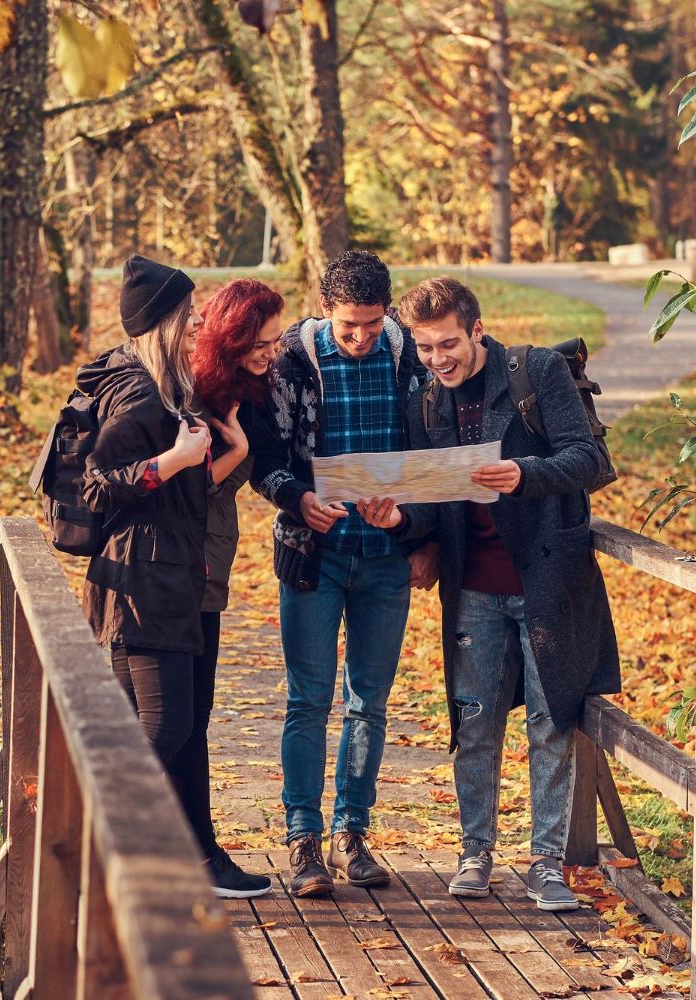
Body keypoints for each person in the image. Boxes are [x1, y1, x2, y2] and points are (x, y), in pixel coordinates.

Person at [359, 276, 621, 911]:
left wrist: (523, 475)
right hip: (471, 589)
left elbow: (589, 461)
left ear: (476, 331)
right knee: (474, 725)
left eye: (447, 344)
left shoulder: (538, 373)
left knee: (550, 722)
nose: (438, 359)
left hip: (547, 585)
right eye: (424, 348)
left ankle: (546, 863)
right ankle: (474, 852)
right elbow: (430, 504)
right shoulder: (424, 404)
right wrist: (398, 522)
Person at [249, 250, 435, 898]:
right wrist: (296, 498)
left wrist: (413, 525)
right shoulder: (292, 361)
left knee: (369, 704)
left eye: (371, 324)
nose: (359, 338)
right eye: (348, 325)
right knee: (308, 700)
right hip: (315, 558)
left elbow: (428, 455)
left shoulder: (408, 354)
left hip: (384, 559)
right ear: (326, 310)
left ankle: (352, 835)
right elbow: (264, 456)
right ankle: (303, 841)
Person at [77, 254, 235, 888]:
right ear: (165, 322)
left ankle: (108, 857)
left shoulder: (161, 386)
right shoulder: (140, 392)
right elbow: (96, 489)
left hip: (155, 577)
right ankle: (83, 838)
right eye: (189, 315)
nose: (198, 324)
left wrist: (227, 455)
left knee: (151, 725)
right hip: (142, 585)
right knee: (165, 726)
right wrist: (172, 459)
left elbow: (178, 497)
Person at [185, 278, 286, 897]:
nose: (270, 351)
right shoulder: (192, 394)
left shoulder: (249, 388)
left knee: (194, 715)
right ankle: (193, 855)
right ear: (233, 334)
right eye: (261, 341)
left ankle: (194, 851)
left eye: (275, 341)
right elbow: (177, 492)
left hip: (209, 572)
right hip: (177, 572)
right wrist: (239, 447)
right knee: (176, 721)